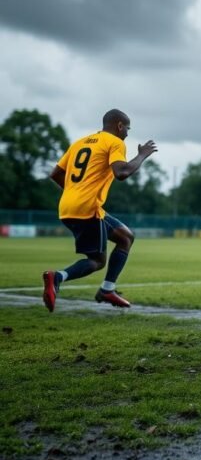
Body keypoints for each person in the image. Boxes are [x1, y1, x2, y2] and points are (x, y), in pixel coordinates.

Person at [41, 109, 158, 312]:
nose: (128, 134)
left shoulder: (80, 142)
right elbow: (122, 172)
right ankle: (57, 277)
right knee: (96, 261)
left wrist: (75, 192)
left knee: (126, 238)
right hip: (87, 209)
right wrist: (141, 156)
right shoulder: (114, 142)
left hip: (69, 205)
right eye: (127, 129)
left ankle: (107, 290)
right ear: (119, 126)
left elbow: (55, 173)